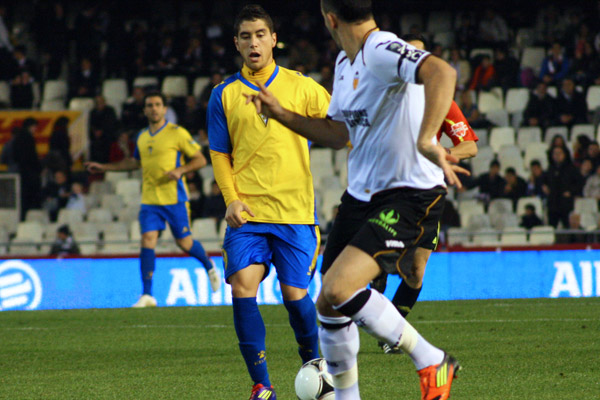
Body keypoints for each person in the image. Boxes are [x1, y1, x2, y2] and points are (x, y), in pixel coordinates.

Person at [244, 1, 466, 398]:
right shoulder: (346, 64)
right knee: (328, 303)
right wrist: (280, 114)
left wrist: (426, 136)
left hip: (407, 192)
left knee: (339, 289)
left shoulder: (380, 47)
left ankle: (432, 360)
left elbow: (441, 72)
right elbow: (336, 134)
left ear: (329, 18)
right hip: (362, 195)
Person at [207, 6, 330, 399]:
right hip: (248, 215)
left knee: (295, 298)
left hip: (295, 214)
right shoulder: (223, 94)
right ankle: (262, 386)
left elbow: (341, 125)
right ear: (237, 44)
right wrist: (231, 199)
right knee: (243, 287)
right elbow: (219, 153)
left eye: (260, 34)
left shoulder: (304, 88)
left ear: (274, 39)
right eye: (246, 36)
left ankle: (315, 364)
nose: (254, 42)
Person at [370, 33, 479, 354]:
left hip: (427, 195)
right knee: (377, 263)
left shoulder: (440, 100)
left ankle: (392, 334)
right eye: (408, 55)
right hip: (388, 190)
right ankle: (372, 311)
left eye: (420, 55)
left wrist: (445, 154)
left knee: (416, 270)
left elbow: (470, 144)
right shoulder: (386, 95)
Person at [85, 91, 221, 308]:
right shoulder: (141, 136)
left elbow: (201, 159)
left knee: (184, 243)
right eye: (150, 105)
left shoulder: (177, 133)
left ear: (165, 109)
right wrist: (104, 167)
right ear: (145, 110)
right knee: (147, 240)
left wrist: (181, 170)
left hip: (174, 198)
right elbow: (133, 163)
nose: (154, 108)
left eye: (158, 104)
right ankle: (147, 295)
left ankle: (208, 264)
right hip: (150, 200)